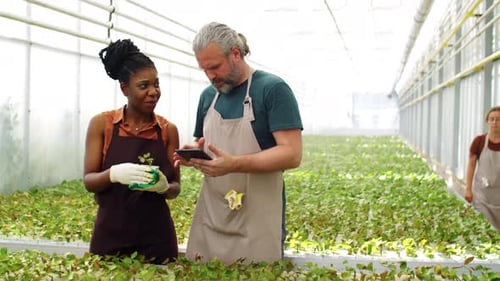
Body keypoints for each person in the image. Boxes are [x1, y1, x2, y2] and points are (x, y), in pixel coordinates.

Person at [173, 22, 303, 264]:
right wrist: (195, 153)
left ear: (235, 53)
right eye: (204, 70)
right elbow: (203, 141)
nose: (211, 76)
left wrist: (235, 164)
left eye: (215, 67)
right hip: (213, 215)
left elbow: (291, 154)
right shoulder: (207, 96)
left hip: (258, 218)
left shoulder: (272, 89)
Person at [83, 39, 180, 264]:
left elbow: (176, 188)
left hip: (157, 238)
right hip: (110, 236)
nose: (153, 92)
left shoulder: (167, 130)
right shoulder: (102, 124)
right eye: (144, 86)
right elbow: (89, 181)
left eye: (156, 84)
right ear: (125, 88)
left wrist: (164, 186)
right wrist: (113, 174)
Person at [465, 106, 500, 231]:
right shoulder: (479, 141)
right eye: (492, 119)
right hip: (482, 195)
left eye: (498, 119)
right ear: (487, 121)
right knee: (483, 229)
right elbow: (471, 165)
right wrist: (468, 189)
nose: (495, 122)